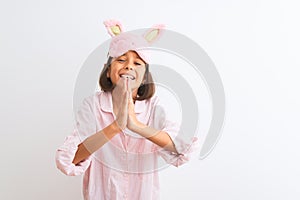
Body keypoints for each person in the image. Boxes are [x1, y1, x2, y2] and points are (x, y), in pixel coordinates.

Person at [55, 19, 198, 200]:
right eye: (121, 60)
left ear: (144, 76)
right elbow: (70, 159)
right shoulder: (92, 106)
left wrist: (136, 126)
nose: (129, 66)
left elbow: (182, 149)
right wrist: (115, 126)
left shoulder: (153, 107)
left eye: (137, 63)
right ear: (108, 71)